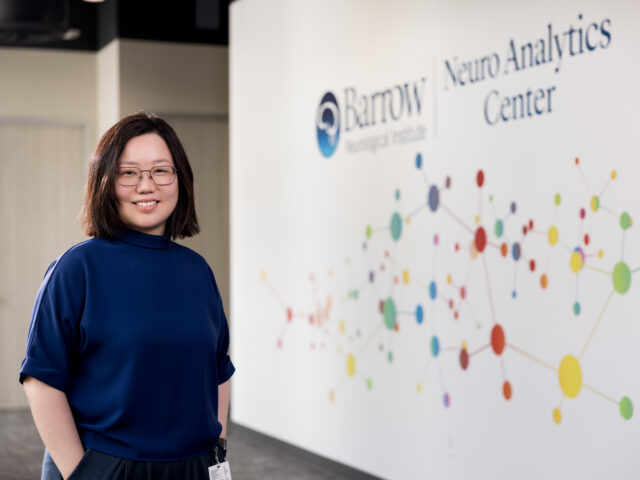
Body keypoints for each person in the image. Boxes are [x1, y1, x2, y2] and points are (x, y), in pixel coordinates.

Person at [19, 112, 235, 480]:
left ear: (179, 178)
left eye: (160, 171)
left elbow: (218, 369)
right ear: (104, 182)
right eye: (128, 172)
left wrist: (215, 448)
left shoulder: (198, 270)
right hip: (107, 466)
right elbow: (42, 380)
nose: (146, 185)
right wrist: (83, 474)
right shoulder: (76, 268)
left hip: (193, 466)